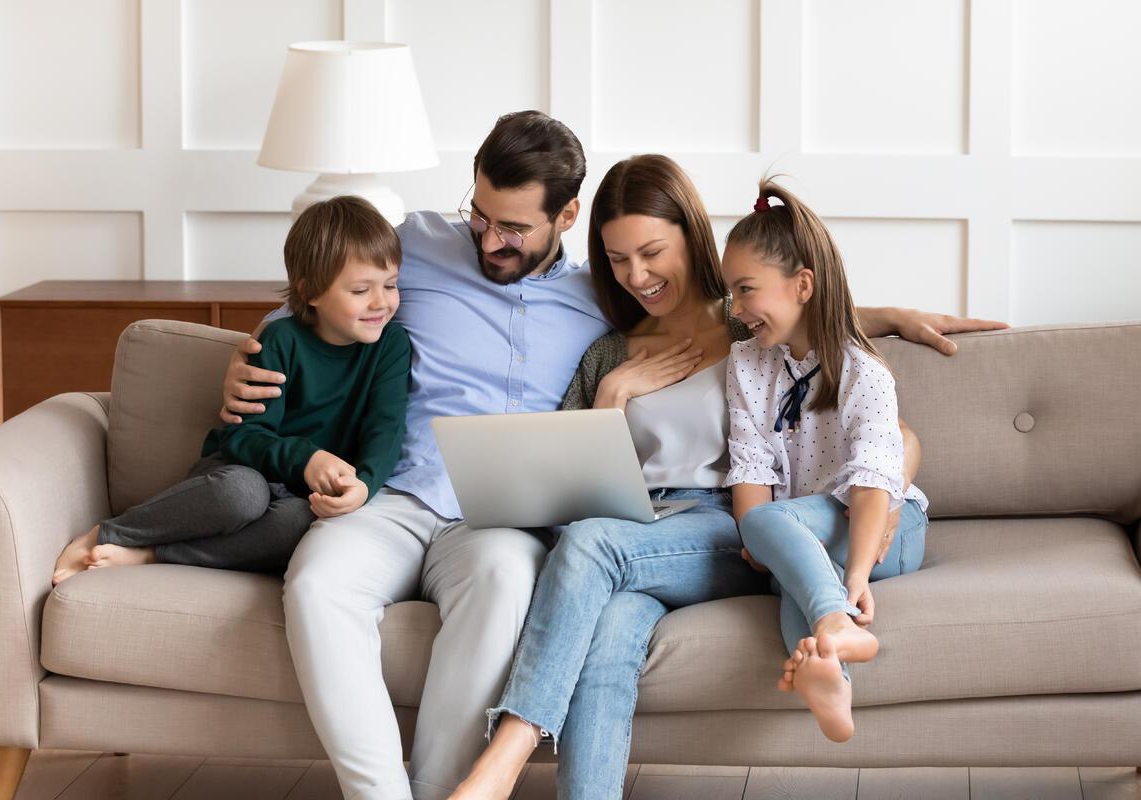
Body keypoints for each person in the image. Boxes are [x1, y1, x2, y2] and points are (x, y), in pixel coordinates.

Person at [220, 114, 1004, 800]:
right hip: (466, 501)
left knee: (554, 567)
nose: (490, 241)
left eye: (515, 228)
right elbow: (320, 296)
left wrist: (885, 315)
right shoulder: (563, 312)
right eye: (481, 216)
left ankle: (485, 769)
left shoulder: (691, 321)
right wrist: (254, 358)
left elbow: (783, 318)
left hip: (630, 524)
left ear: (565, 216)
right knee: (580, 630)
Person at [449, 157, 921, 800]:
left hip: (724, 524)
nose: (637, 276)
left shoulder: (749, 331)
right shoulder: (606, 354)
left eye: (651, 252)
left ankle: (504, 757)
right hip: (634, 528)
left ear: (691, 238)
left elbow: (853, 380)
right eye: (617, 260)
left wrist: (895, 319)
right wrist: (612, 397)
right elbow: (559, 484)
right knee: (609, 626)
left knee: (592, 543)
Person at [51, 195, 410, 586]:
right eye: (361, 290)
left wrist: (365, 483)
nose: (382, 302)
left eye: (390, 285)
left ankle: (154, 554)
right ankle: (108, 533)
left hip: (301, 498)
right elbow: (243, 435)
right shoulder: (279, 341)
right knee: (241, 495)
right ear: (310, 292)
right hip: (243, 469)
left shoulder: (390, 346)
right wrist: (307, 459)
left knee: (300, 525)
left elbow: (386, 428)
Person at [722, 178, 928, 743]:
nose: (735, 311)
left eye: (745, 291)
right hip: (804, 529)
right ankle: (829, 669)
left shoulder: (865, 372)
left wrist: (857, 577)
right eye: (730, 295)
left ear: (803, 286)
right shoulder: (747, 366)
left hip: (885, 523)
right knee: (783, 566)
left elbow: (872, 481)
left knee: (768, 525)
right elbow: (750, 464)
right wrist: (766, 547)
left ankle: (836, 620)